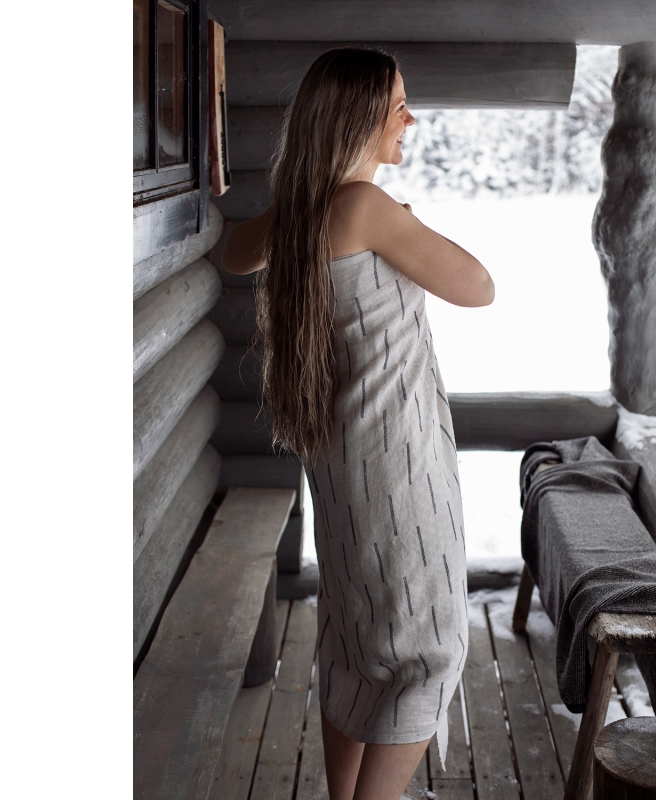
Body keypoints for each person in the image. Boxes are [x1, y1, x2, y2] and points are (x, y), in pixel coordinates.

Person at [222, 47, 494, 800]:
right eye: (399, 105)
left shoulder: (306, 210)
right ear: (358, 119)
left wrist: (304, 209)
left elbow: (235, 252)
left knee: (356, 638)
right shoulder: (367, 209)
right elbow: (480, 286)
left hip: (343, 465)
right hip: (399, 461)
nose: (411, 118)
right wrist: (403, 223)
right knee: (426, 651)